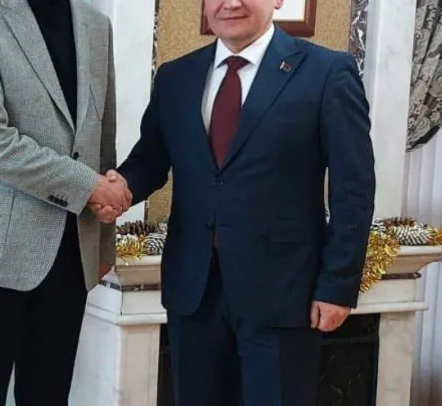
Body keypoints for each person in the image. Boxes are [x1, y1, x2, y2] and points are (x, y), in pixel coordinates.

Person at [99, 0, 375, 404]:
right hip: (194, 293)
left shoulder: (327, 72)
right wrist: (120, 186)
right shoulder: (176, 76)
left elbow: (354, 189)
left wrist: (338, 286)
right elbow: (151, 159)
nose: (230, 3)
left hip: (284, 296)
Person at [0, 0, 130, 404]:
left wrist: (103, 242)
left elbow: (102, 138)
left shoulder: (96, 24)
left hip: (71, 257)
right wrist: (90, 187)